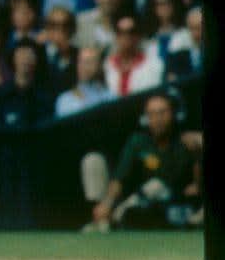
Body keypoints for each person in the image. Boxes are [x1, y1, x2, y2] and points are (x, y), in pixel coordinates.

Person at [81, 91, 201, 232]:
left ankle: (112, 221)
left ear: (175, 114)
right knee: (93, 160)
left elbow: (196, 187)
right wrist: (107, 204)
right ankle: (102, 218)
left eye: (163, 113)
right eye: (152, 114)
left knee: (155, 187)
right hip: (133, 201)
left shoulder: (186, 142)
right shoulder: (138, 141)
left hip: (172, 207)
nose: (157, 119)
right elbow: (120, 177)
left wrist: (199, 150)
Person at [54, 46, 112, 118]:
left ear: (98, 66)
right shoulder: (64, 100)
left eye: (88, 62)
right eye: (80, 61)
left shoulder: (109, 96)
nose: (83, 66)